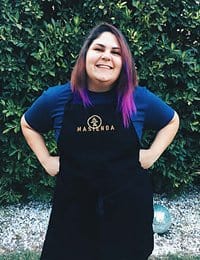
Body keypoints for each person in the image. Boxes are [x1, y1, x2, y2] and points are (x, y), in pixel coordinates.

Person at [21, 22, 179, 260]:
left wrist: (150, 155)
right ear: (85, 55)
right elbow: (28, 124)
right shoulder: (57, 99)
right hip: (73, 212)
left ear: (123, 63)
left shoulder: (138, 99)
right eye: (99, 49)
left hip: (127, 211)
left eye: (116, 52)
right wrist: (46, 160)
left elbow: (172, 120)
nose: (107, 56)